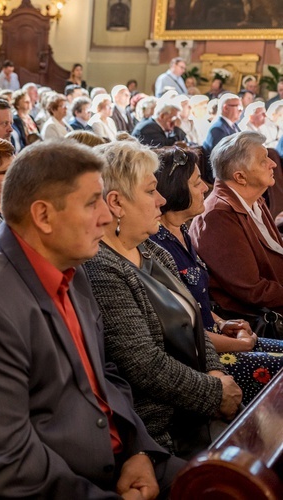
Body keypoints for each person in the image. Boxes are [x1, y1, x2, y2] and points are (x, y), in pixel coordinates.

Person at [0, 139, 184, 499]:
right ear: (43, 215)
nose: (107, 216)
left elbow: (105, 375)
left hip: (112, 461)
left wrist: (139, 451)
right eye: (92, 203)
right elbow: (6, 460)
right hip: (49, 487)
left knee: (240, 480)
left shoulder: (70, 270)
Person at [83, 140, 240, 459]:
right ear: (116, 203)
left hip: (198, 399)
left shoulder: (150, 250)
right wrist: (213, 393)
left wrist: (215, 374)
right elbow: (142, 364)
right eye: (151, 190)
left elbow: (195, 321)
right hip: (161, 429)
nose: (161, 200)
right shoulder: (100, 265)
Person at [152, 147, 283, 405]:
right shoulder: (159, 244)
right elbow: (179, 331)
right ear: (175, 189)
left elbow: (194, 302)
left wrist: (223, 323)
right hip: (203, 358)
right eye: (196, 182)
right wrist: (238, 344)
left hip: (221, 337)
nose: (206, 188)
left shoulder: (182, 233)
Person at [192, 131, 283, 316]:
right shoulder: (218, 217)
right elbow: (252, 290)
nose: (273, 163)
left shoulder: (252, 198)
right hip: (256, 320)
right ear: (240, 177)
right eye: (263, 160)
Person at [202, 93, 242, 181]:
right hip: (221, 176)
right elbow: (222, 159)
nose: (241, 110)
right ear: (225, 108)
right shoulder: (217, 128)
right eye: (237, 106)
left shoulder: (234, 125)